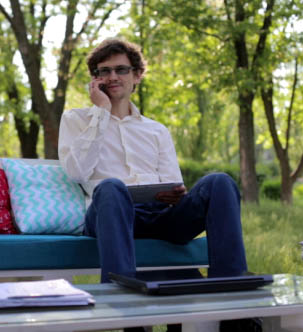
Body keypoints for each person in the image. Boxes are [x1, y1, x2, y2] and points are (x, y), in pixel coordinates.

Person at [58, 38, 253, 332]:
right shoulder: (76, 120)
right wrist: (100, 113)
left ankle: (233, 307)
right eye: (104, 71)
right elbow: (76, 172)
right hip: (110, 214)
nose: (113, 77)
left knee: (220, 182)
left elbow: (173, 182)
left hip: (159, 214)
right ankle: (126, 314)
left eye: (121, 70)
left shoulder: (156, 130)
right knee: (111, 187)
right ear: (95, 80)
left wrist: (175, 195)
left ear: (136, 76)